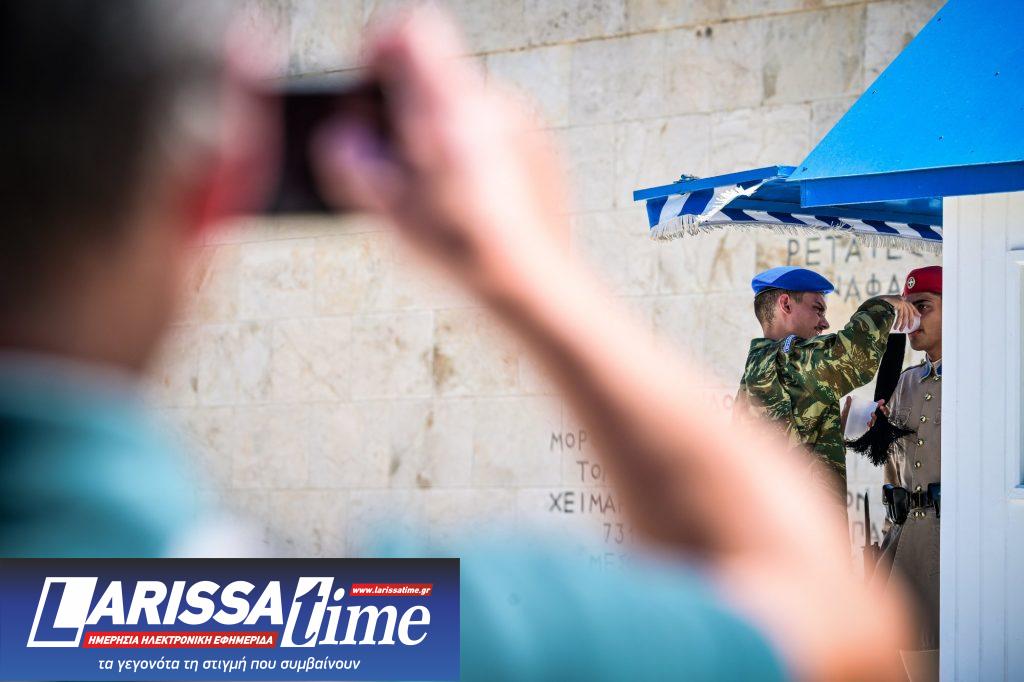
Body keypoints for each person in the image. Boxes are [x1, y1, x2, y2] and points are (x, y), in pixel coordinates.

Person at [0, 3, 911, 680]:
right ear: (212, 192)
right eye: (805, 306)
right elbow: (835, 630)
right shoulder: (282, 636)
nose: (814, 315)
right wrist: (528, 270)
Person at [734, 266, 918, 507]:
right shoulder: (786, 359)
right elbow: (854, 357)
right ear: (786, 304)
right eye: (817, 309)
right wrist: (883, 304)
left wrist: (834, 429)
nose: (824, 323)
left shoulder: (762, 366)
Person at [871, 266, 943, 681]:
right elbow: (892, 473)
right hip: (905, 545)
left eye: (924, 307)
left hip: (951, 546)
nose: (912, 318)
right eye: (908, 308)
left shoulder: (981, 380)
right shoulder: (905, 383)